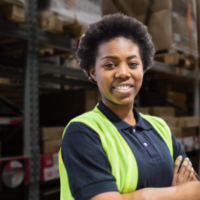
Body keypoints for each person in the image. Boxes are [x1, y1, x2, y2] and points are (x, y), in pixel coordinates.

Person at [59, 13, 200, 200]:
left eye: (133, 63)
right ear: (93, 73)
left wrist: (138, 196)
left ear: (143, 68)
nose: (123, 72)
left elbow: (196, 190)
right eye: (110, 65)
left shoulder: (160, 128)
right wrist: (173, 193)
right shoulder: (83, 132)